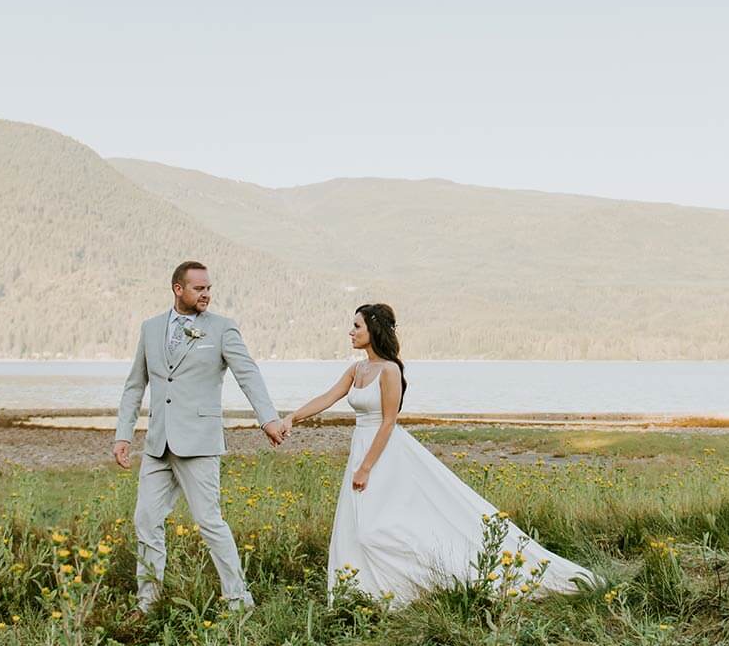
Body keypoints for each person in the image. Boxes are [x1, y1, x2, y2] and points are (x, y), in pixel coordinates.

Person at [282, 303, 596, 605]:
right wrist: (290, 418)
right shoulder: (356, 369)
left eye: (356, 326)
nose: (350, 332)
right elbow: (327, 397)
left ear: (373, 329)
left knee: (379, 527)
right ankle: (366, 590)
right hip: (361, 445)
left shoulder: (389, 371)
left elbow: (389, 421)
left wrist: (365, 467)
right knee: (358, 525)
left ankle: (423, 580)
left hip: (384, 453)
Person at [113, 261, 287, 612]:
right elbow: (136, 385)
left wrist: (267, 418)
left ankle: (239, 599)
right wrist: (123, 435)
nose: (206, 294)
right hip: (157, 444)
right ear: (179, 289)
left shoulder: (223, 329)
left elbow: (248, 374)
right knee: (145, 520)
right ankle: (148, 601)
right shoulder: (150, 329)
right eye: (199, 288)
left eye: (208, 288)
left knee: (209, 522)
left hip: (200, 442)